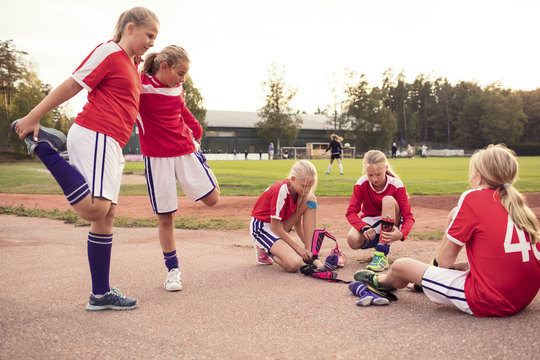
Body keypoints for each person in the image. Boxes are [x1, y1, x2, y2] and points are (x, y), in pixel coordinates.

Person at [11, 7, 160, 310]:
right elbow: (72, 84)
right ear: (130, 28)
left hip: (111, 143)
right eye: (149, 36)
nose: (152, 43)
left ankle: (100, 294)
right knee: (94, 209)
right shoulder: (109, 51)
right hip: (96, 132)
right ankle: (43, 147)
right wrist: (32, 116)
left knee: (106, 219)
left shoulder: (131, 63)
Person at [355, 144, 540, 317]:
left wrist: (433, 271)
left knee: (401, 266)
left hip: (492, 299)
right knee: (455, 227)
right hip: (524, 294)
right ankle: (426, 278)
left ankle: (382, 281)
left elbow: (444, 262)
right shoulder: (519, 205)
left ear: (479, 176)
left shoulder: (473, 197)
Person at [137, 45, 220, 292]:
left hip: (185, 150)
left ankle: (201, 161)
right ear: (164, 67)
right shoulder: (139, 85)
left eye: (185, 74)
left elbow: (181, 110)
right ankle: (173, 270)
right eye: (180, 73)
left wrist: (197, 131)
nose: (183, 79)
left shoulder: (177, 88)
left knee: (213, 199)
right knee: (166, 217)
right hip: (156, 158)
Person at [250, 160, 345, 271]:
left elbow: (297, 224)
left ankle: (312, 254)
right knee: (293, 264)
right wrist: (298, 249)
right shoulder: (281, 190)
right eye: (304, 186)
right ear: (293, 179)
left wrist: (307, 249)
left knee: (310, 198)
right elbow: (274, 226)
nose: (307, 190)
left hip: (279, 226)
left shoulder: (299, 193)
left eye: (310, 186)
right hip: (263, 227)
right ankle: (265, 249)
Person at [346, 150, 415, 271]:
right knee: (352, 240)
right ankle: (378, 244)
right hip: (371, 222)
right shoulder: (361, 183)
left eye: (378, 174)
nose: (375, 179)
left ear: (386, 168)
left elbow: (408, 216)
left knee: (388, 200)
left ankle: (382, 253)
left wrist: (402, 233)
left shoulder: (396, 184)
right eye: (370, 175)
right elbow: (351, 212)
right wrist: (363, 227)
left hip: (391, 219)